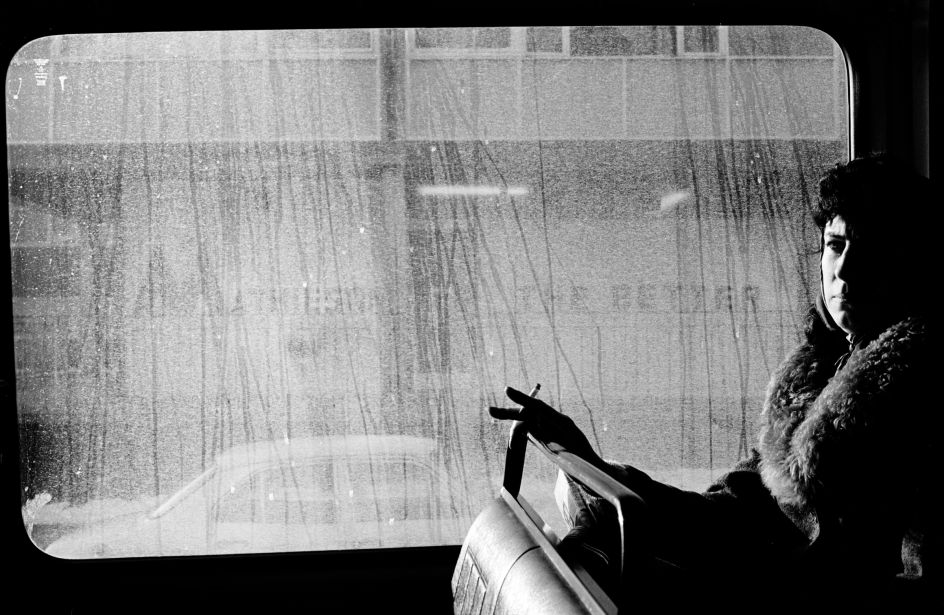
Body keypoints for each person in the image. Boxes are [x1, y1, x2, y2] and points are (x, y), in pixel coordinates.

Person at [489, 154, 938, 610]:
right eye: (835, 245)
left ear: (912, 262)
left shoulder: (925, 388)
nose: (843, 270)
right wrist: (594, 466)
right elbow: (736, 508)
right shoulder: (818, 370)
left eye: (872, 249)